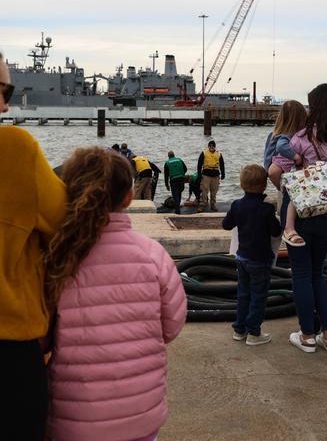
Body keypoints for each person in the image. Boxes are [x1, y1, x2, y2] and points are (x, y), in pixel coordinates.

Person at [44, 147, 187, 441]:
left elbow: (41, 336)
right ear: (129, 197)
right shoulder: (153, 255)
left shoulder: (55, 257)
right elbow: (171, 327)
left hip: (75, 421)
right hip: (141, 414)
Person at [0, 57, 66, 440]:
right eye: (4, 91)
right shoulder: (16, 149)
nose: (7, 105)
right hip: (8, 351)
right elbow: (65, 223)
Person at [269, 83, 327, 355]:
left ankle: (306, 336)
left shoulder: (301, 138)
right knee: (318, 272)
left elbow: (273, 171)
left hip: (302, 214)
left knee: (301, 274)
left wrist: (286, 188)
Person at [223, 164, 281, 345]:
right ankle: (254, 333)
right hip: (260, 259)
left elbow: (226, 224)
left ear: (241, 184)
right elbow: (276, 231)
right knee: (259, 296)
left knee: (243, 294)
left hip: (242, 258)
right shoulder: (266, 208)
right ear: (264, 185)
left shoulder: (237, 205)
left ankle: (239, 329)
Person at [264, 100, 307, 247]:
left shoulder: (276, 133)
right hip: (280, 167)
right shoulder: (287, 135)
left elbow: (268, 160)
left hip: (276, 169)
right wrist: (296, 157)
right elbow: (273, 163)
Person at [197, 140, 225, 212]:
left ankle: (213, 205)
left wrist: (223, 174)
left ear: (215, 147)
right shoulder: (204, 153)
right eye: (210, 146)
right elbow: (199, 164)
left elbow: (222, 165)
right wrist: (199, 174)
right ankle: (201, 206)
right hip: (206, 175)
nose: (211, 147)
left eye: (213, 146)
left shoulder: (219, 154)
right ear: (208, 146)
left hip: (215, 175)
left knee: (214, 191)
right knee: (204, 191)